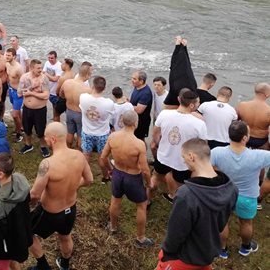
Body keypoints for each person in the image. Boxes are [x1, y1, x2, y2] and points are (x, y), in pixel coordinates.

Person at [156, 138, 238, 270]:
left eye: (184, 157)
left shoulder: (186, 194)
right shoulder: (232, 188)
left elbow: (176, 233)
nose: (184, 161)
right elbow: (223, 223)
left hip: (184, 258)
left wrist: (166, 252)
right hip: (206, 255)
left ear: (191, 156)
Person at [28, 122, 93, 270]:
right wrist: (75, 185)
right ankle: (65, 264)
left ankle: (43, 266)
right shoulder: (79, 155)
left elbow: (35, 194)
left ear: (53, 139)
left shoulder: (47, 164)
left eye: (45, 137)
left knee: (27, 232)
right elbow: (89, 180)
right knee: (65, 236)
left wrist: (27, 205)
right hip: (70, 209)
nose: (45, 139)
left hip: (50, 213)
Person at [211, 120, 270, 258]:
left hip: (224, 193)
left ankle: (222, 250)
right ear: (245, 138)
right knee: (246, 222)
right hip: (247, 197)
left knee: (223, 221)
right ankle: (245, 248)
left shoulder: (216, 152)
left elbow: (207, 168)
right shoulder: (258, 156)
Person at [100, 111, 153, 248]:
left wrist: (111, 170)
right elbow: (145, 169)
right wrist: (148, 182)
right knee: (141, 205)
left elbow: (102, 158)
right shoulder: (139, 144)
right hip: (133, 177)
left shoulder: (113, 137)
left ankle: (113, 227)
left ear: (122, 122)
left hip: (118, 173)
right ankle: (140, 238)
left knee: (115, 200)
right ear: (136, 123)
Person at [151, 89, 207, 202]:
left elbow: (155, 134)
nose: (199, 105)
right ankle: (175, 200)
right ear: (192, 105)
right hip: (183, 162)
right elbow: (202, 145)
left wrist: (158, 145)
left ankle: (147, 199)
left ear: (178, 99)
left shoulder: (164, 113)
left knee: (156, 176)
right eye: (198, 103)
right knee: (180, 184)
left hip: (163, 156)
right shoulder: (199, 124)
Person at [79, 76, 115, 182]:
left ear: (92, 86)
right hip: (102, 133)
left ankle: (84, 175)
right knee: (102, 157)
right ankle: (106, 176)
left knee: (86, 154)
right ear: (104, 88)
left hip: (87, 131)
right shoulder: (108, 103)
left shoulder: (83, 97)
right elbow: (112, 116)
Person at [18, 59, 50, 158]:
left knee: (41, 130)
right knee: (27, 128)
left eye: (41, 67)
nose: (41, 70)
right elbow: (19, 92)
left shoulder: (44, 78)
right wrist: (31, 87)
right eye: (38, 68)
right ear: (31, 68)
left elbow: (46, 95)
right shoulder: (24, 77)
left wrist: (31, 93)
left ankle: (43, 146)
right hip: (27, 108)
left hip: (40, 110)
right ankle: (28, 145)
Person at [59, 62, 92, 149]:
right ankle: (78, 152)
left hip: (69, 111)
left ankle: (68, 149)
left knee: (69, 133)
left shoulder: (67, 82)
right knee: (80, 136)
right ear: (87, 74)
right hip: (79, 114)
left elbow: (61, 94)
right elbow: (90, 105)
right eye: (90, 74)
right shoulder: (87, 90)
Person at [163, 36, 198, 108]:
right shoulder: (191, 83)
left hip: (178, 89)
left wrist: (179, 46)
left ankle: (180, 46)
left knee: (177, 64)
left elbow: (166, 107)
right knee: (184, 63)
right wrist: (183, 47)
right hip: (187, 93)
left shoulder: (175, 82)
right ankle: (181, 46)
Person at [236, 82, 270, 150]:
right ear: (267, 94)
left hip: (244, 139)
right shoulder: (268, 110)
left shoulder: (242, 105)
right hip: (261, 141)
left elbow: (234, 124)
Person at [5, 47, 25, 141]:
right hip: (11, 90)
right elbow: (9, 77)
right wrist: (8, 88)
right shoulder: (7, 64)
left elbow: (24, 81)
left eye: (9, 55)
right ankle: (21, 127)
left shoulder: (19, 68)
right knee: (17, 112)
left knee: (15, 115)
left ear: (14, 56)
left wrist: (20, 92)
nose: (7, 56)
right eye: (6, 54)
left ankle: (19, 134)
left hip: (18, 93)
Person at [129, 70, 153, 141]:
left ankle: (143, 152)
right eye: (132, 78)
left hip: (142, 122)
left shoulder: (146, 93)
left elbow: (139, 110)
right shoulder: (136, 86)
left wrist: (127, 105)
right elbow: (134, 101)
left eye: (134, 79)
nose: (132, 80)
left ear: (141, 81)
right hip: (134, 119)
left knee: (140, 140)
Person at [43, 51, 62, 122]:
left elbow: (55, 79)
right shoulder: (47, 63)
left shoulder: (59, 66)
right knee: (49, 105)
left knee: (56, 108)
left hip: (55, 91)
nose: (50, 59)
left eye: (52, 58)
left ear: (56, 58)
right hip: (47, 89)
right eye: (49, 58)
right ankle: (53, 118)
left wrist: (46, 74)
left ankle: (56, 122)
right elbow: (43, 73)